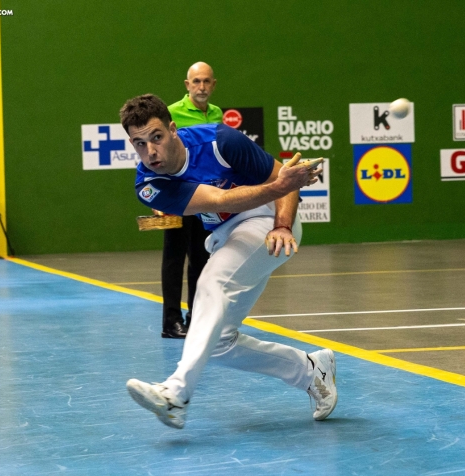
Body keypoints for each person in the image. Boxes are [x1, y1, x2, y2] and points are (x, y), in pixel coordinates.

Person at [120, 94, 337, 429]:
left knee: (211, 282)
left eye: (156, 137)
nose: (150, 151)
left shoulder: (220, 141)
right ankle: (310, 370)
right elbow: (220, 199)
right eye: (139, 143)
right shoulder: (149, 184)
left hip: (268, 222)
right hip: (227, 233)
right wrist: (280, 184)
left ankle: (175, 394)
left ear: (173, 129)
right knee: (219, 343)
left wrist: (282, 224)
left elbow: (286, 182)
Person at [160, 62, 222, 338]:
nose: (201, 87)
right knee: (174, 259)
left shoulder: (217, 114)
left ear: (213, 84)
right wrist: (159, 196)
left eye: (206, 82)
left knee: (201, 259)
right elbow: (156, 154)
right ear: (187, 85)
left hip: (205, 200)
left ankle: (195, 318)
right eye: (196, 81)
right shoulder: (170, 113)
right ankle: (171, 322)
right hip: (177, 197)